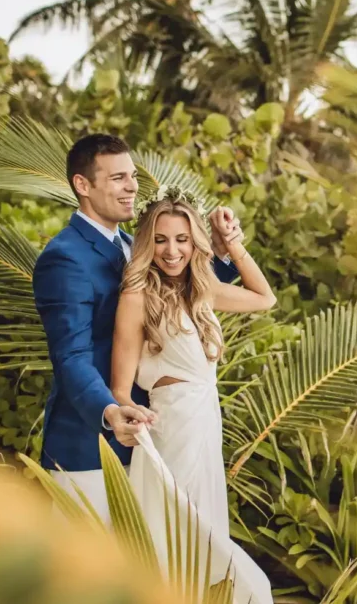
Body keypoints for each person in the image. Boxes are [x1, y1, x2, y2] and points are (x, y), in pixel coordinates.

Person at [32, 134, 242, 524]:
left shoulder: (134, 245)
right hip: (89, 448)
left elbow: (184, 291)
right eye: (117, 178)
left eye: (131, 176)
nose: (132, 186)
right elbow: (71, 357)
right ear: (83, 185)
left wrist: (221, 248)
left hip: (153, 442)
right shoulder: (64, 259)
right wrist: (110, 410)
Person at [110, 187, 275, 604]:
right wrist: (129, 414)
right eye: (161, 239)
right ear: (147, 242)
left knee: (203, 539)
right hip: (171, 429)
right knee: (176, 534)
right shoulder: (136, 295)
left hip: (205, 425)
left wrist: (232, 242)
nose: (171, 251)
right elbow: (120, 385)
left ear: (194, 242)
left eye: (182, 239)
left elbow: (264, 297)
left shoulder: (202, 291)